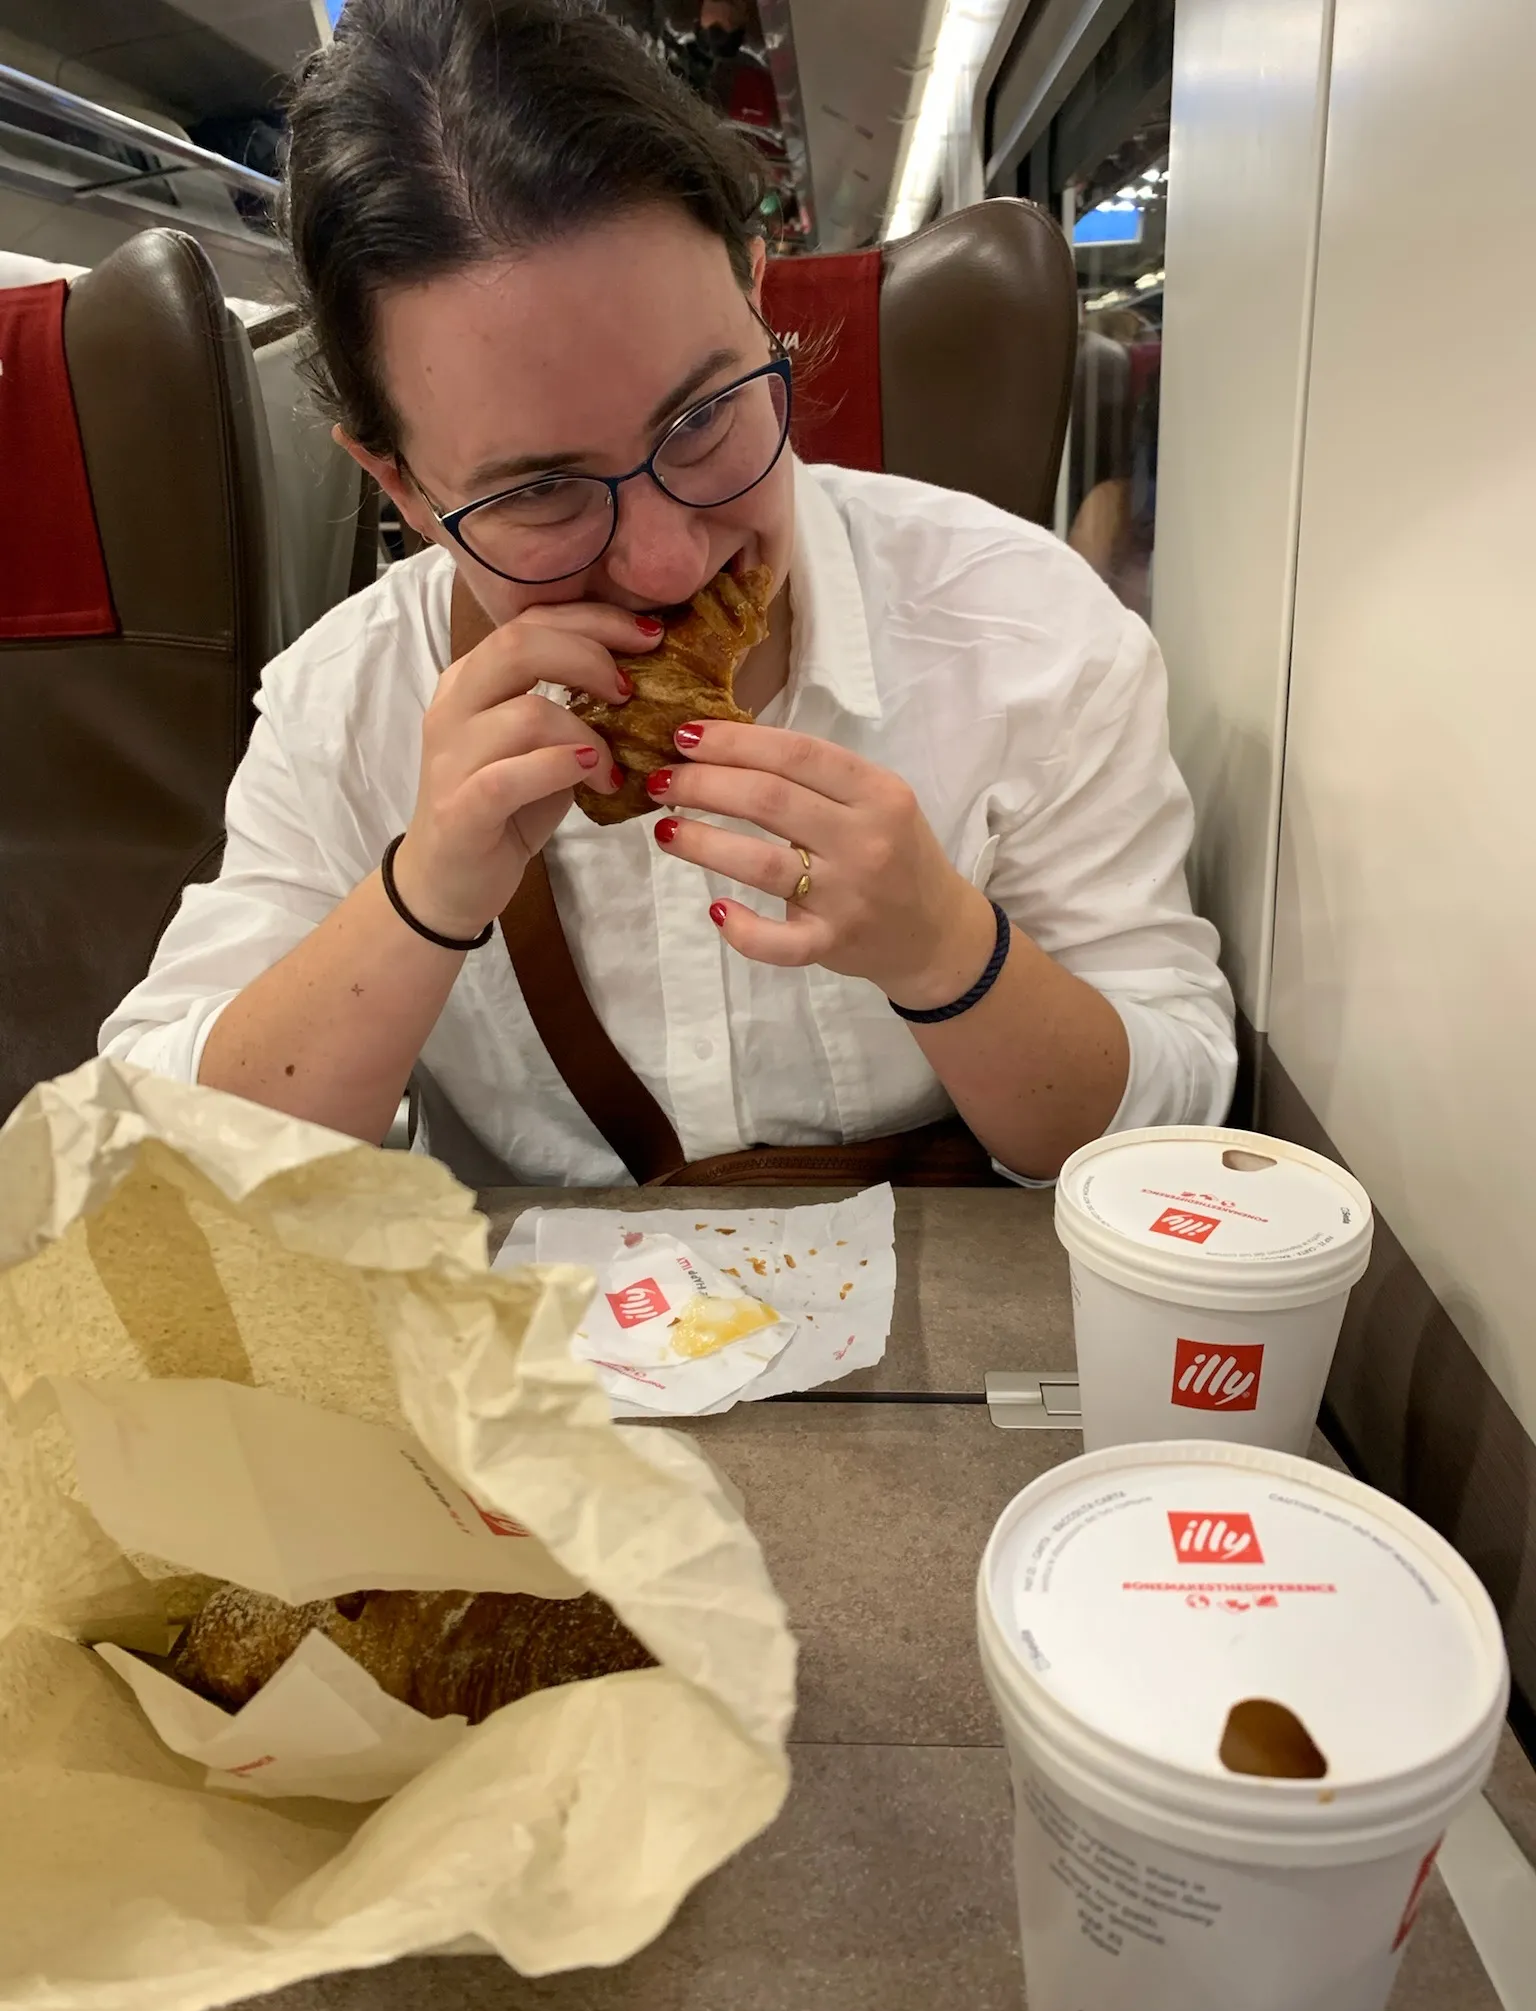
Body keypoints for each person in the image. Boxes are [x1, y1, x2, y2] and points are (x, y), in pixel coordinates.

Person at [100, 0, 1235, 1188]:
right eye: (539, 490)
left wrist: (949, 946)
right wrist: (423, 893)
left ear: (760, 304)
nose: (665, 561)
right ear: (403, 487)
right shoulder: (346, 704)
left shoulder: (1028, 630)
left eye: (702, 418)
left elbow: (1179, 1106)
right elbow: (157, 1170)